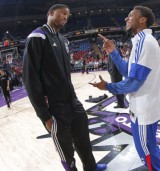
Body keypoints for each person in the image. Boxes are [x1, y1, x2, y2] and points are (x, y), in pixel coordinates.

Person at [22, 4, 107, 171]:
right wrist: (44, 115)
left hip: (72, 100)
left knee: (83, 137)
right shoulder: (37, 37)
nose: (65, 17)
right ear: (50, 13)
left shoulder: (63, 40)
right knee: (65, 147)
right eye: (62, 13)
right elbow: (30, 79)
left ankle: (91, 167)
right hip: (54, 106)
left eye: (67, 15)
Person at [91, 6, 160, 171]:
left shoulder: (144, 42)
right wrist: (114, 53)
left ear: (142, 20)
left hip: (142, 109)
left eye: (130, 15)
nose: (126, 18)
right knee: (150, 143)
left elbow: (133, 83)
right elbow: (129, 72)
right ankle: (158, 157)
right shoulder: (143, 41)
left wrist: (108, 86)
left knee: (144, 151)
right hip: (149, 105)